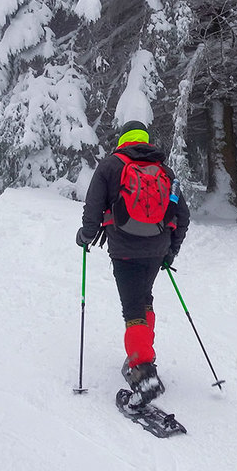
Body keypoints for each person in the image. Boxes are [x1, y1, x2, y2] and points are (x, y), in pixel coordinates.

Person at [76, 120, 190, 408]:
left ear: (123, 139)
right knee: (144, 298)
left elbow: (93, 209)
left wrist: (85, 237)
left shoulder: (110, 165)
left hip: (125, 249)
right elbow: (182, 215)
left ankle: (143, 372)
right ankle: (144, 353)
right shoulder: (165, 171)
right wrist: (171, 250)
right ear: (145, 140)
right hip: (156, 248)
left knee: (133, 308)